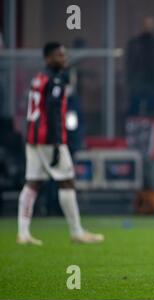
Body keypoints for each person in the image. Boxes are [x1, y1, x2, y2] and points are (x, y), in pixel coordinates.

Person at [17, 42, 104, 245]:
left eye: (63, 56)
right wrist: (57, 144)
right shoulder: (55, 80)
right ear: (47, 58)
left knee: (32, 183)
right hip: (50, 139)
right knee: (67, 181)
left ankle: (23, 233)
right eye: (58, 56)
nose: (63, 59)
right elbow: (53, 113)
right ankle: (76, 231)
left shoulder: (38, 78)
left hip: (33, 137)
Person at [126, 17, 154, 117]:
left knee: (151, 111)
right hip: (137, 82)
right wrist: (130, 82)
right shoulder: (134, 43)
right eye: (146, 25)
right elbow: (130, 63)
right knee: (134, 109)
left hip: (153, 82)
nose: (148, 28)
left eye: (150, 25)